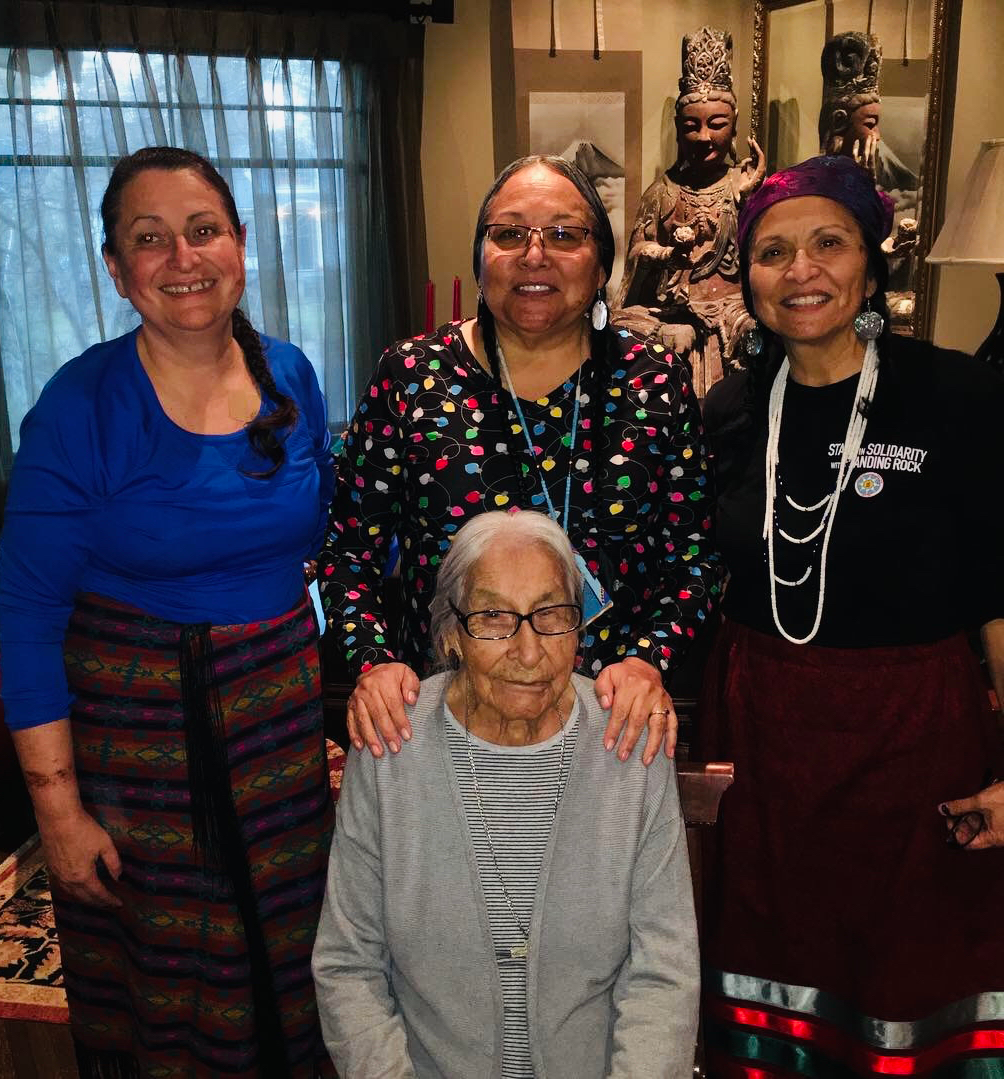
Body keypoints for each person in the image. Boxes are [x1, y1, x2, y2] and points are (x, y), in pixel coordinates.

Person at [0, 146, 336, 1078]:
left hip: (277, 734)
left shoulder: (292, 375)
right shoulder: (79, 405)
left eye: (203, 230)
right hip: (138, 746)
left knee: (297, 957)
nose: (182, 257)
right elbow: (25, 615)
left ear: (239, 246)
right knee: (171, 979)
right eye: (149, 240)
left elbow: (325, 532)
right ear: (116, 268)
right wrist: (58, 814)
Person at [700, 155, 1004, 1076]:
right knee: (774, 998)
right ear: (745, 276)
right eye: (772, 251)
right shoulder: (728, 411)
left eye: (828, 243)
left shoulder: (962, 397)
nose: (801, 271)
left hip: (920, 755)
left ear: (871, 263)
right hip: (768, 760)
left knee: (914, 995)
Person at [319, 154, 722, 766]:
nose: (535, 256)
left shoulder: (654, 381)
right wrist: (374, 664)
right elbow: (349, 556)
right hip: (441, 719)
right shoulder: (411, 377)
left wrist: (647, 659)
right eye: (509, 233)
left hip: (609, 724)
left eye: (565, 234)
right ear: (480, 257)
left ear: (602, 263)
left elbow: (694, 560)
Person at [313, 509, 699, 1077]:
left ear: (579, 626)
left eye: (551, 614)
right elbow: (349, 968)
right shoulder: (391, 747)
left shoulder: (629, 746)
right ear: (451, 633)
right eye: (493, 616)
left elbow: (663, 977)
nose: (528, 650)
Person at [613, 25, 764, 399]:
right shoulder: (663, 192)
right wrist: (668, 253)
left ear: (734, 124)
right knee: (628, 327)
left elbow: (763, 260)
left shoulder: (742, 185)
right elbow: (636, 256)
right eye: (691, 126)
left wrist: (751, 203)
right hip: (673, 311)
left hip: (733, 313)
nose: (704, 137)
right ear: (678, 130)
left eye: (717, 124)